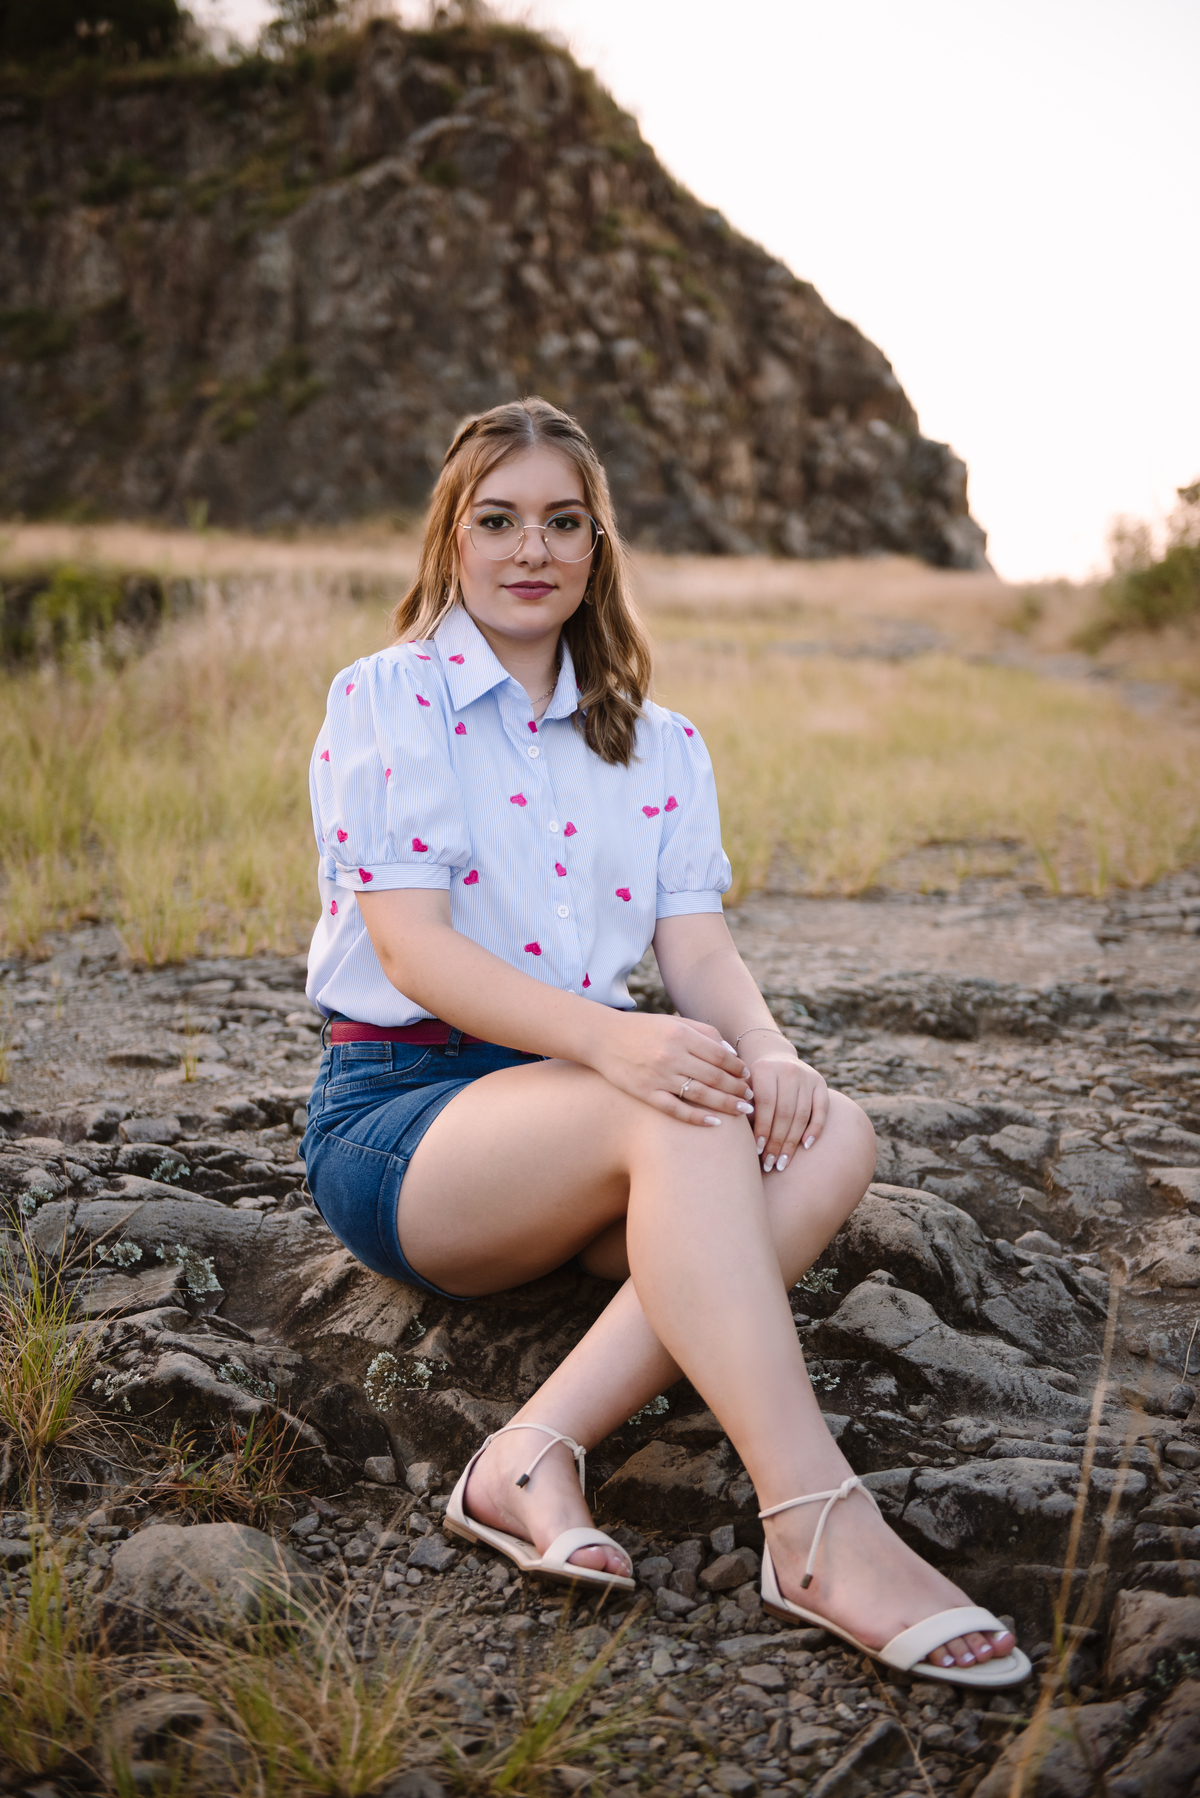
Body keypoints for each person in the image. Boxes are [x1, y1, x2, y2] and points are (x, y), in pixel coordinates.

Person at [300, 398, 1029, 1688]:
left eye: (564, 523)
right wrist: (624, 1049)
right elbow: (413, 950)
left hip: (583, 1107)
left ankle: (528, 1451)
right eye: (500, 519)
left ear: (598, 549)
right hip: (409, 1115)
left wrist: (771, 1049)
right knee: (677, 1096)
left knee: (828, 1130)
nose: (533, 550)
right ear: (452, 540)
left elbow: (696, 950)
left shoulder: (657, 740)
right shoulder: (390, 699)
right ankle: (815, 1525)